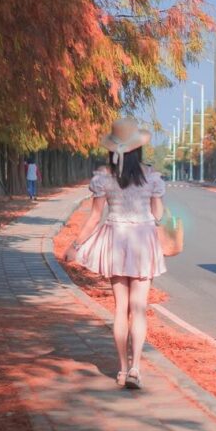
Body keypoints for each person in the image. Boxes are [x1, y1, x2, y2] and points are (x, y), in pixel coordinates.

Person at [65, 117, 167, 390]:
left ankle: (122, 369)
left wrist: (75, 246)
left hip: (116, 242)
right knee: (139, 309)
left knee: (120, 309)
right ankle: (136, 368)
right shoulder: (151, 177)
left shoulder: (103, 178)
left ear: (112, 148)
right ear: (138, 148)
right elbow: (158, 215)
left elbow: (95, 217)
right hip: (143, 242)